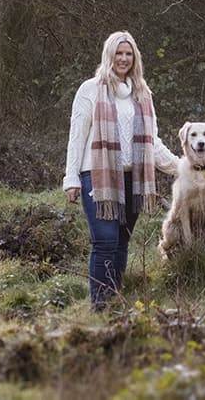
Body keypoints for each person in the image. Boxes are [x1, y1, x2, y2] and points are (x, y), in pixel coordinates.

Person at [63, 30, 179, 308]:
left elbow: (152, 142)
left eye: (129, 54)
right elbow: (77, 136)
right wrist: (71, 177)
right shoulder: (90, 89)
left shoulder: (142, 93)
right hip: (97, 175)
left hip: (133, 178)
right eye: (119, 53)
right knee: (105, 240)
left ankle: (114, 300)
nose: (123, 59)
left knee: (122, 242)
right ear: (109, 55)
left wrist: (183, 168)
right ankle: (99, 305)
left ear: (135, 58)